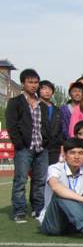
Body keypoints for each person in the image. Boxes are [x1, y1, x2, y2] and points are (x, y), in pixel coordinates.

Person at [6, 68, 50, 222]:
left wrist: (46, 141)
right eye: (30, 82)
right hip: (24, 148)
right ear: (23, 83)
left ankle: (38, 209)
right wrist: (19, 144)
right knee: (20, 180)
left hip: (41, 148)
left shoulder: (42, 104)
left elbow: (45, 125)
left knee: (40, 181)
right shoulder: (15, 102)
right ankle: (19, 210)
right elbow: (11, 125)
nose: (34, 85)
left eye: (36, 82)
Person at [38, 80, 63, 165]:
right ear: (38, 90)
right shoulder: (35, 107)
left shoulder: (57, 110)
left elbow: (60, 128)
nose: (47, 91)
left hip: (54, 148)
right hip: (40, 146)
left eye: (50, 89)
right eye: (44, 89)